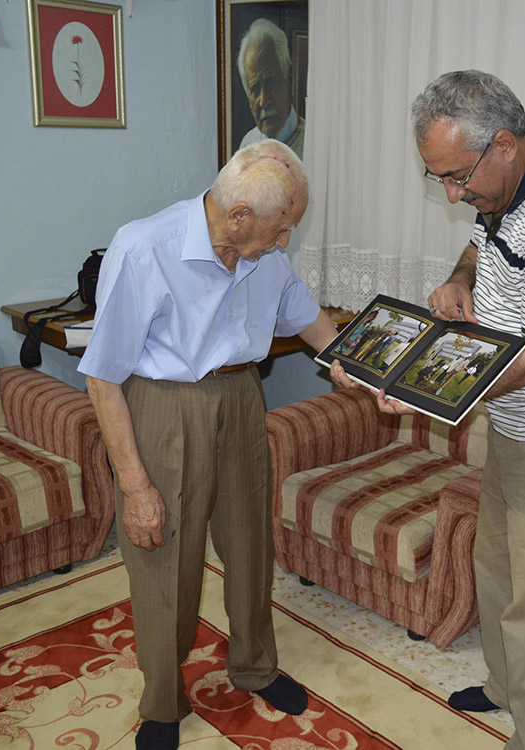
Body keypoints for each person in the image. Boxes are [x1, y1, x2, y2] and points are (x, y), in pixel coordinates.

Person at [333, 70, 525, 750]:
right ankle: (504, 687)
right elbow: (483, 243)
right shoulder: (504, 180)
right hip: (520, 420)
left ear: (502, 143)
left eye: (456, 177)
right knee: (497, 566)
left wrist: (425, 389)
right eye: (438, 177)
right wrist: (460, 278)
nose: (452, 193)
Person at [79, 139, 338, 750]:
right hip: (166, 403)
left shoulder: (263, 251)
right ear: (239, 215)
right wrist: (135, 486)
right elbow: (102, 379)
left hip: (242, 394)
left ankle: (255, 666)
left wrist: (363, 368)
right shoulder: (145, 248)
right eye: (280, 230)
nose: (285, 242)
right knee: (165, 554)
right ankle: (162, 701)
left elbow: (307, 318)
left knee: (249, 541)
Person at [237, 18, 305, 158]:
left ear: (289, 81)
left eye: (270, 82)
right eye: (255, 89)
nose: (263, 101)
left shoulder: (312, 142)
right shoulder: (247, 146)